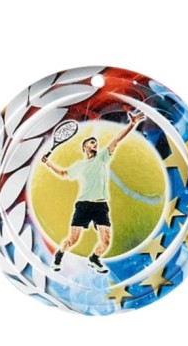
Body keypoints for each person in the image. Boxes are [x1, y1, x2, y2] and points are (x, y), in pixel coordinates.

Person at [42, 111, 145, 273]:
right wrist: (48, 163)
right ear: (85, 147)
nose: (95, 144)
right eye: (92, 142)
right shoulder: (79, 166)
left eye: (96, 142)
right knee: (73, 239)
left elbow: (117, 140)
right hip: (83, 205)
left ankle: (94, 258)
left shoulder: (102, 157)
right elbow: (62, 173)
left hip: (101, 206)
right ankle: (59, 256)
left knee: (105, 242)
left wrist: (132, 124)